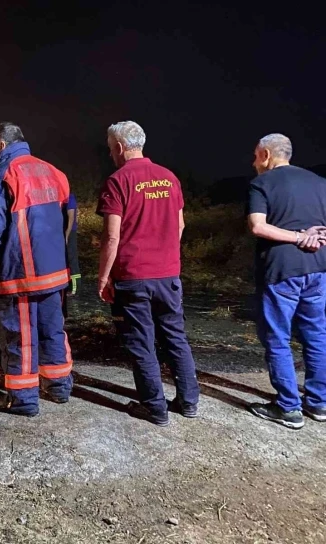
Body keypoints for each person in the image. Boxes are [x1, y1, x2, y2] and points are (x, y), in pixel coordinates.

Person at [96, 120, 199, 426]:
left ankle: (154, 407)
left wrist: (103, 277)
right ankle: (189, 402)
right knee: (175, 338)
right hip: (168, 276)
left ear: (119, 147)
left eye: (109, 149)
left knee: (141, 342)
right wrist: (164, 257)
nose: (110, 154)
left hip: (133, 277)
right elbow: (179, 226)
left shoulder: (117, 181)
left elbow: (112, 237)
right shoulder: (169, 177)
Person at [0, 122, 73, 417]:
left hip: (20, 273)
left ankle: (24, 400)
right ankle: (59, 387)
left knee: (19, 335)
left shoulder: (1, 175)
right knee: (52, 329)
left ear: (0, 145)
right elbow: (65, 219)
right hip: (54, 272)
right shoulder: (53, 171)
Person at [246, 133, 326, 429]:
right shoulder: (320, 183)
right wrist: (315, 237)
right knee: (316, 334)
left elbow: (258, 226)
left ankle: (288, 407)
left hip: (281, 271)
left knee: (277, 337)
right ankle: (318, 403)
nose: (254, 162)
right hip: (318, 269)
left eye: (256, 156)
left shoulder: (261, 183)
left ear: (266, 154)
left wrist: (296, 237)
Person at [64, 190, 81, 296]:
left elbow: (71, 217)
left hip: (70, 232)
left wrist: (66, 235)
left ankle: (75, 288)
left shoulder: (69, 197)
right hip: (63, 231)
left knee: (71, 258)